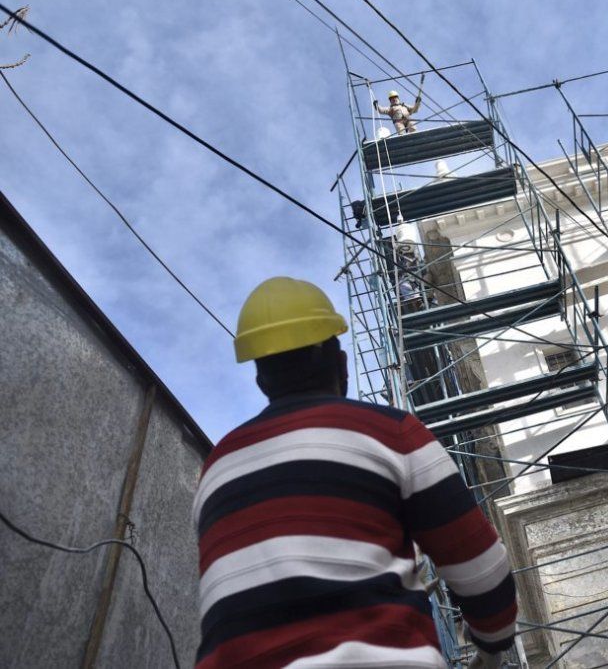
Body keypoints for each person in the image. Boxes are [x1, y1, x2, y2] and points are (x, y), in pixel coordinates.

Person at [192, 277, 517, 668]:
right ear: (341, 363)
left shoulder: (216, 468)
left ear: (261, 379)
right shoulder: (388, 432)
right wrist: (492, 647)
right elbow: (483, 569)